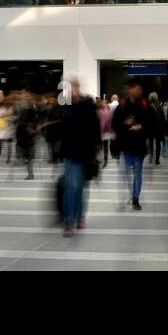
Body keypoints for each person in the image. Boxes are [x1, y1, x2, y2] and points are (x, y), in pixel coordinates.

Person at [57, 78, 101, 236]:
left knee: (80, 187)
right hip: (70, 153)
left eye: (74, 87)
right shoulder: (65, 106)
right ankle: (69, 221)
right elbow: (61, 128)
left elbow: (95, 128)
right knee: (71, 187)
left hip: (86, 153)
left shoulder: (88, 105)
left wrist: (97, 147)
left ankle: (80, 216)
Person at [112, 82, 152, 210]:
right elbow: (115, 124)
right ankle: (131, 194)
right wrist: (126, 124)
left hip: (139, 145)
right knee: (126, 173)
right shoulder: (122, 105)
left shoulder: (144, 104)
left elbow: (150, 122)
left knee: (138, 173)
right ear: (130, 89)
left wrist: (141, 126)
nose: (139, 90)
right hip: (126, 144)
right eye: (137, 88)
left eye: (140, 88)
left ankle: (135, 199)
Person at [146, 91, 164, 165]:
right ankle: (157, 160)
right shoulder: (159, 106)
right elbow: (163, 117)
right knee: (158, 144)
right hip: (158, 127)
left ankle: (151, 156)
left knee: (151, 143)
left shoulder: (148, 106)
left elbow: (146, 118)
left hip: (150, 128)